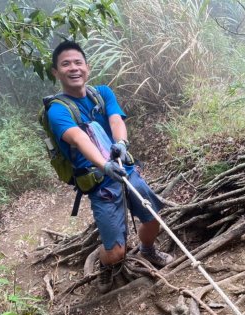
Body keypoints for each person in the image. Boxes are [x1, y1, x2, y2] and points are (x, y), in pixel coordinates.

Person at [47, 40, 173, 293]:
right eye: (66, 64)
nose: (73, 68)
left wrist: (121, 143)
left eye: (78, 62)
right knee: (116, 253)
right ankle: (106, 265)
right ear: (56, 72)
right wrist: (104, 165)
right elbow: (79, 139)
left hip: (124, 168)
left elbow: (116, 118)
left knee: (153, 218)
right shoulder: (56, 111)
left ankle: (148, 250)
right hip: (99, 181)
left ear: (87, 68)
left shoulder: (102, 93)